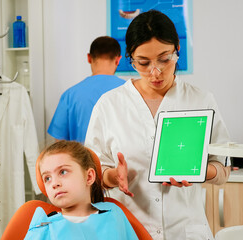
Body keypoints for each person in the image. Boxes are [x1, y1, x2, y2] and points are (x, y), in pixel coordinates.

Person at [85, 10, 231, 239]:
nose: (156, 72)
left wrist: (198, 171)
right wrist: (114, 176)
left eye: (164, 59)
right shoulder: (109, 105)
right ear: (130, 60)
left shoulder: (201, 100)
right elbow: (93, 171)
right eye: (143, 63)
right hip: (129, 229)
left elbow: (223, 169)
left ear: (177, 51)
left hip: (185, 230)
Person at [24, 141, 138, 240]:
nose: (54, 183)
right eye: (47, 178)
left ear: (89, 177)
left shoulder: (113, 214)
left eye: (63, 172)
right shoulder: (43, 228)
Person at [47, 36, 125, 143]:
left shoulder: (70, 95)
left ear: (89, 58)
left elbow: (60, 142)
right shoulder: (131, 91)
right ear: (118, 60)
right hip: (120, 160)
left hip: (82, 159)